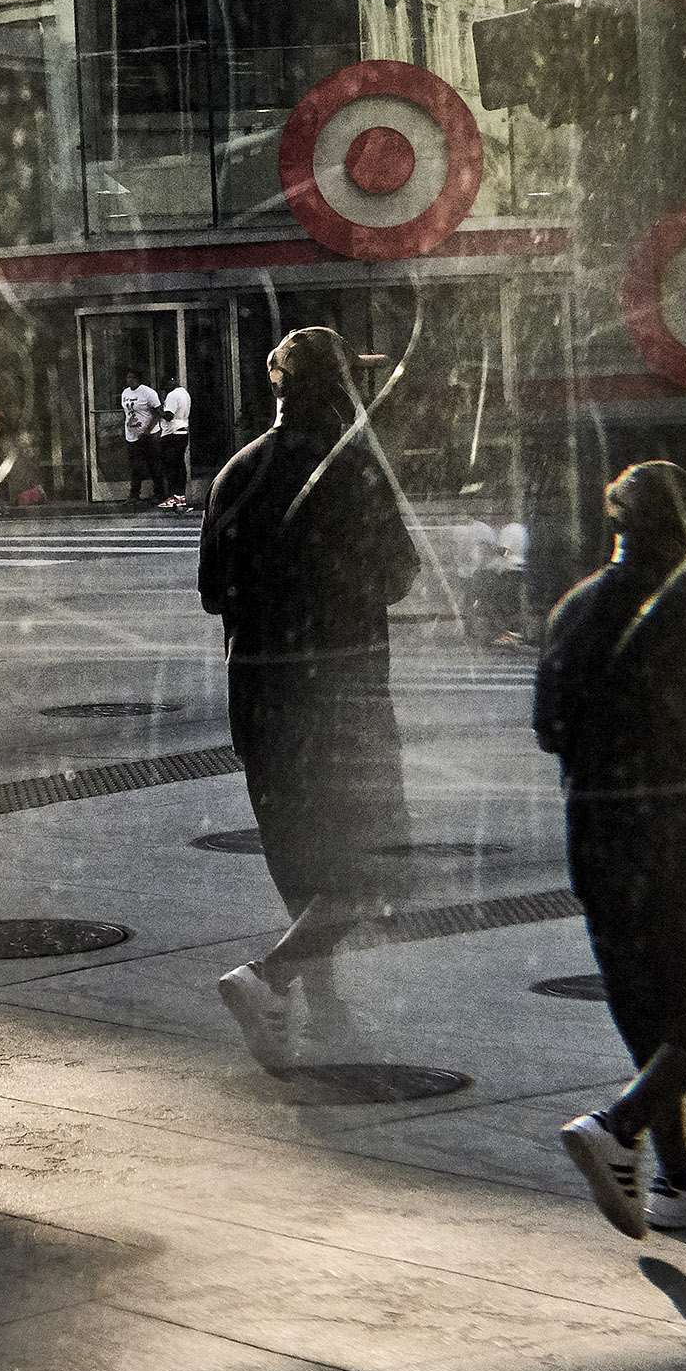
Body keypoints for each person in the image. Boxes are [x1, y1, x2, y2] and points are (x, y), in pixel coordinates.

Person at [534, 461, 686, 1238]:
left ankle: (678, 1178)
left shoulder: (572, 610)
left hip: (598, 838)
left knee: (649, 1007)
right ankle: (618, 1125)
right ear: (680, 530)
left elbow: (548, 729)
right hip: (685, 837)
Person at [200, 327, 421, 1070]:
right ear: (339, 390)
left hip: (258, 697)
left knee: (301, 863)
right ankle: (271, 977)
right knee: (377, 865)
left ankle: (323, 1014)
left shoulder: (236, 472)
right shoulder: (354, 468)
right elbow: (398, 576)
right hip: (342, 696)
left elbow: (209, 593)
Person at [120, 368, 163, 503]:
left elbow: (158, 412)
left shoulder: (148, 393)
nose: (130, 381)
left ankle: (159, 492)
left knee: (153, 464)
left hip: (148, 434)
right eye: (128, 378)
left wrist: (148, 430)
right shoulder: (125, 393)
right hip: (132, 434)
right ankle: (134, 494)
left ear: (138, 379)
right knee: (135, 466)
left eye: (132, 378)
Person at [156, 376, 192, 510]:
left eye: (166, 384)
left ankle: (174, 495)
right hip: (183, 430)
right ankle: (180, 496)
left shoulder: (172, 395)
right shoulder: (184, 393)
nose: (164, 388)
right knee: (179, 465)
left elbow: (169, 416)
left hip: (172, 433)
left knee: (170, 466)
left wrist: (158, 411)